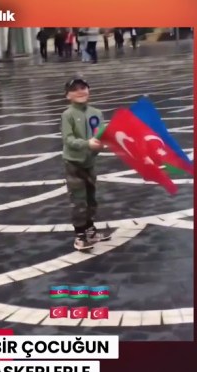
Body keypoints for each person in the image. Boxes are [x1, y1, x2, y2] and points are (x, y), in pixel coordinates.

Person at [60, 77, 112, 251]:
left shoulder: (96, 112)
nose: (80, 91)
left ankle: (90, 229)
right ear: (68, 95)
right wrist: (86, 144)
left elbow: (101, 133)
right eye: (75, 89)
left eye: (83, 88)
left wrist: (103, 143)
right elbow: (68, 140)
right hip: (74, 164)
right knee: (78, 200)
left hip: (90, 162)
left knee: (91, 198)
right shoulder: (68, 115)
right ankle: (80, 235)